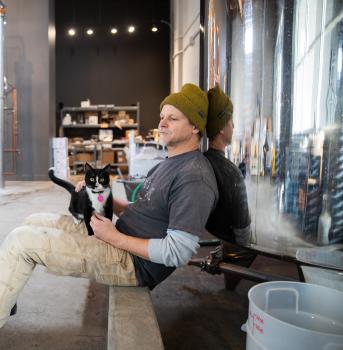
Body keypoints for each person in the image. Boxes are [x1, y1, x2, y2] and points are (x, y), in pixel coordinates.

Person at [0, 83, 218, 328]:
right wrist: (101, 197)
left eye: (173, 118)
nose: (162, 123)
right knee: (32, 220)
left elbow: (178, 253)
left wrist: (114, 237)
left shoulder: (194, 177)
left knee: (22, 240)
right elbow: (147, 209)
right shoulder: (169, 163)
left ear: (195, 127)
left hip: (132, 263)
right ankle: (5, 300)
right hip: (118, 238)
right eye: (162, 117)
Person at [204, 85, 251, 246]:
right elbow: (243, 233)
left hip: (206, 247)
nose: (234, 126)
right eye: (231, 121)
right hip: (227, 253)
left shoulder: (199, 162)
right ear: (222, 128)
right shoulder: (232, 173)